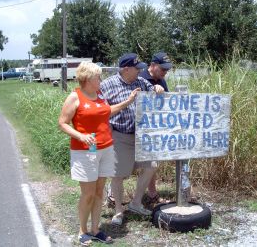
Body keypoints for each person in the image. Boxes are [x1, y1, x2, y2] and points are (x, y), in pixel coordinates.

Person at [58, 61, 140, 246]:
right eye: (98, 77)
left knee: (99, 191)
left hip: (106, 148)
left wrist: (128, 102)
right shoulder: (75, 97)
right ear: (87, 79)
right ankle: (82, 231)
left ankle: (95, 229)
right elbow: (62, 123)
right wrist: (81, 135)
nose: (100, 80)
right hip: (85, 152)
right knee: (87, 193)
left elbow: (107, 112)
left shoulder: (100, 94)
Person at [100, 53, 165, 226]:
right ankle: (119, 210)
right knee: (118, 175)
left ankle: (136, 203)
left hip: (140, 135)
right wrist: (127, 102)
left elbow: (152, 90)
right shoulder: (107, 85)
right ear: (126, 69)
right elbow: (102, 111)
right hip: (120, 134)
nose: (140, 71)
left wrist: (157, 89)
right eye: (137, 68)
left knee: (151, 165)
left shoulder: (140, 82)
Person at [139, 52, 172, 204]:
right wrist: (152, 89)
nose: (165, 72)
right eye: (163, 69)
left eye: (167, 69)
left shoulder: (162, 81)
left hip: (153, 129)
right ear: (152, 65)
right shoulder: (140, 77)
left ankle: (152, 194)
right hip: (134, 127)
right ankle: (113, 195)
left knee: (152, 163)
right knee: (123, 165)